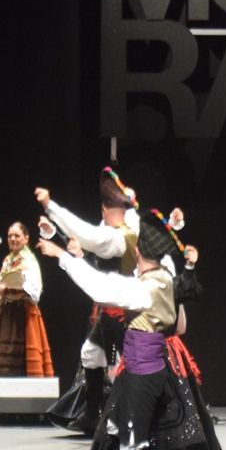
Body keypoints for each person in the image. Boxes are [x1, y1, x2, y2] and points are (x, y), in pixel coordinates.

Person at [39, 207, 183, 450]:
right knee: (117, 432)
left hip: (142, 374)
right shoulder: (164, 281)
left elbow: (100, 287)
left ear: (136, 252)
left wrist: (63, 257)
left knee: (132, 443)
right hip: (147, 368)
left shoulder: (145, 288)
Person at [76, 227, 226, 450]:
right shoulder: (166, 285)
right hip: (166, 354)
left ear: (138, 255)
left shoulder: (142, 286)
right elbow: (180, 327)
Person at [40, 169, 140, 434]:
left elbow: (88, 237)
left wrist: (52, 207)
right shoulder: (116, 231)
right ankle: (92, 413)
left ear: (109, 209)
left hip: (124, 311)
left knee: (119, 365)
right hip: (111, 306)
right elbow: (88, 244)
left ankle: (122, 417)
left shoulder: (119, 237)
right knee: (91, 353)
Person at [0, 221, 55, 394]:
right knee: (2, 354)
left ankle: (23, 399)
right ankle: (3, 398)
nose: (13, 239)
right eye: (10, 236)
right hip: (5, 313)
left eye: (17, 235)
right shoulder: (8, 260)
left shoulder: (29, 260)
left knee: (22, 357)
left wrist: (11, 290)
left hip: (23, 313)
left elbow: (34, 291)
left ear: (26, 238)